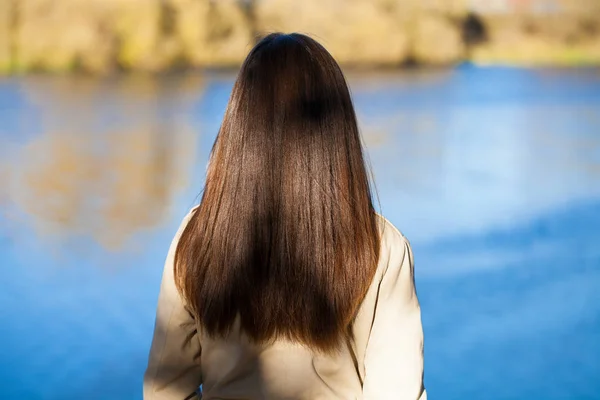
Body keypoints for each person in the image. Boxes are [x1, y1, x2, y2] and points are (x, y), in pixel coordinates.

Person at [143, 33, 426, 400]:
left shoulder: (198, 234)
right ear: (337, 132)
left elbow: (166, 389)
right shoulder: (383, 247)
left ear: (239, 126)